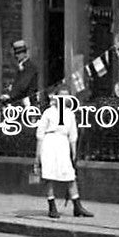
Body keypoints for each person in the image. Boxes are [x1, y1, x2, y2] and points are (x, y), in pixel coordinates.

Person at [35, 83, 93, 219]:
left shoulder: (69, 114)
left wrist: (74, 153)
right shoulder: (48, 113)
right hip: (49, 143)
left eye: (66, 97)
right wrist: (37, 155)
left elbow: (73, 135)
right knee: (49, 175)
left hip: (63, 143)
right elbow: (40, 134)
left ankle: (77, 206)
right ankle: (52, 206)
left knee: (70, 175)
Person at [1, 40, 39, 107]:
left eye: (19, 53)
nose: (16, 56)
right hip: (18, 103)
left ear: (25, 53)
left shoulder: (30, 67)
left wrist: (10, 95)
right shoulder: (20, 67)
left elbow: (23, 86)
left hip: (28, 104)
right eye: (16, 53)